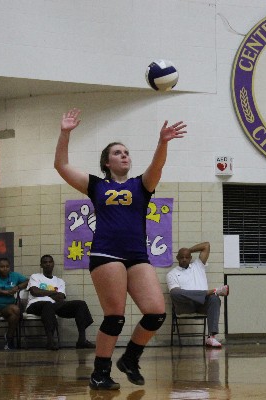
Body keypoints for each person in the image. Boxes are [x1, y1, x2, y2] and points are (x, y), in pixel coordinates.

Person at [54, 107, 187, 390]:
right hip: (106, 254)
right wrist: (65, 133)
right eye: (117, 152)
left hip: (137, 255)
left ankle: (129, 358)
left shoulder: (142, 185)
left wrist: (162, 142)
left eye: (126, 152)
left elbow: (158, 167)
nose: (124, 155)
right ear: (106, 162)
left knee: (155, 312)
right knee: (114, 316)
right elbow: (62, 167)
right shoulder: (97, 185)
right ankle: (100, 372)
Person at [166, 242, 229, 348]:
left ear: (191, 257)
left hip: (201, 304)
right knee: (174, 293)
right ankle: (212, 291)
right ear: (177, 258)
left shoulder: (198, 265)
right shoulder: (171, 274)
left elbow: (206, 245)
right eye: (182, 257)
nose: (184, 259)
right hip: (186, 306)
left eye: (187, 257)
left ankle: (211, 338)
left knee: (214, 298)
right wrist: (206, 293)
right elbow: (176, 294)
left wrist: (188, 250)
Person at [26, 255, 96, 350]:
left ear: (53, 264)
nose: (48, 264)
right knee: (48, 304)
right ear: (41, 265)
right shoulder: (35, 276)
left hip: (54, 306)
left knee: (80, 304)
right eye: (45, 262)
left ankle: (82, 340)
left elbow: (60, 298)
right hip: (35, 305)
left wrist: (44, 292)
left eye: (50, 262)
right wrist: (54, 292)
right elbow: (34, 291)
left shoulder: (59, 281)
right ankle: (50, 341)